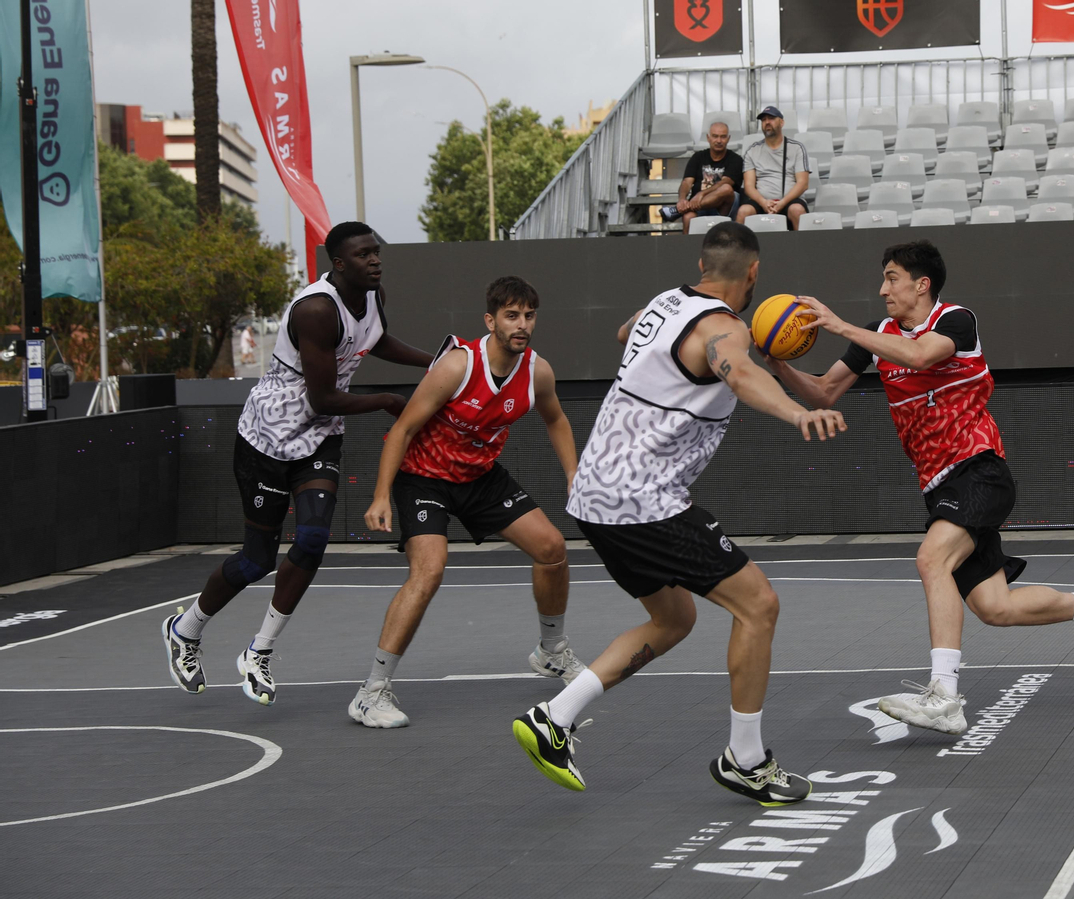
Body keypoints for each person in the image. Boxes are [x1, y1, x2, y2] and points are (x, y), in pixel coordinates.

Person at [512, 222, 846, 805]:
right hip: (642, 497)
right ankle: (746, 760)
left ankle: (553, 718)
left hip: (596, 494)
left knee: (673, 620)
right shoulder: (724, 329)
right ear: (754, 273)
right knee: (759, 605)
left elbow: (626, 331)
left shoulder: (665, 303)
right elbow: (737, 373)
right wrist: (795, 414)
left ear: (701, 265)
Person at [765, 241, 1074, 736]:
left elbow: (921, 355)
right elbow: (822, 390)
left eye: (891, 278)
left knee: (931, 559)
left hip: (979, 469)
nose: (883, 289)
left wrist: (839, 324)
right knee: (996, 607)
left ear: (921, 284)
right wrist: (778, 362)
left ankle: (945, 696)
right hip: (939, 483)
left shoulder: (955, 320)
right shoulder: (877, 335)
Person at [159, 222, 434, 706]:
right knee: (256, 559)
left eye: (377, 252)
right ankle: (185, 629)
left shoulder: (372, 294)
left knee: (311, 539)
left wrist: (435, 363)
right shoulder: (315, 310)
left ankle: (259, 651)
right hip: (268, 438)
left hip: (320, 439)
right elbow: (325, 397)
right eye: (364, 254)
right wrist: (390, 400)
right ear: (339, 264)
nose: (375, 260)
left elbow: (377, 342)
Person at [353, 276, 582, 728]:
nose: (522, 325)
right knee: (429, 571)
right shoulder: (457, 366)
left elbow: (556, 420)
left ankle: (551, 652)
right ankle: (371, 692)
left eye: (529, 316)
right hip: (425, 479)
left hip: (480, 477)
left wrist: (574, 475)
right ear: (490, 320)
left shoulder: (537, 371)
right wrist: (381, 495)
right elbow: (402, 430)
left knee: (552, 549)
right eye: (512, 316)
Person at [663, 120, 744, 234]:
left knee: (726, 189)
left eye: (723, 137)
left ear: (728, 138)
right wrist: (682, 200)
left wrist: (701, 194)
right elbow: (686, 182)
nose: (719, 141)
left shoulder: (736, 159)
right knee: (688, 217)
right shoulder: (698, 157)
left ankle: (679, 210)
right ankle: (687, 249)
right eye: (715, 136)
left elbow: (726, 182)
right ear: (708, 138)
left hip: (724, 208)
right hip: (699, 209)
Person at [737, 106, 810, 230]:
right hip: (761, 202)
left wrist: (783, 202)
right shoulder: (752, 150)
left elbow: (803, 183)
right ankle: (735, 249)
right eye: (764, 120)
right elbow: (749, 187)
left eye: (771, 118)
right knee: (744, 212)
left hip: (789, 201)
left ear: (782, 122)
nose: (767, 122)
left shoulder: (797, 148)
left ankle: (804, 248)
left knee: (797, 210)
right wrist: (763, 202)